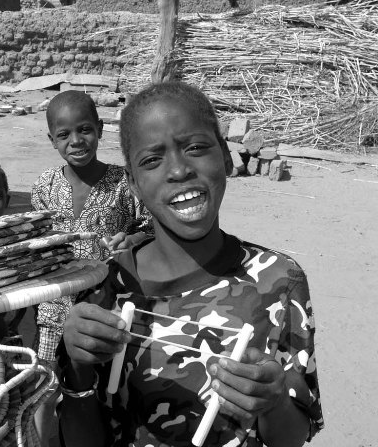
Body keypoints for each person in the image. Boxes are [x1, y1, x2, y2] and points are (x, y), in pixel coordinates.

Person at [59, 81, 324, 447]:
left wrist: (274, 401)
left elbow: (292, 435)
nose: (179, 170)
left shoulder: (280, 281)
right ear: (133, 184)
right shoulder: (103, 288)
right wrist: (76, 368)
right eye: (152, 160)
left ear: (227, 159)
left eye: (196, 148)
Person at [30, 90, 149, 446]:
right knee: (45, 389)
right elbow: (36, 243)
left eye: (84, 129)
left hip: (106, 308)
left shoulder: (124, 183)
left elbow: (149, 226)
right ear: (52, 140)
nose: (76, 141)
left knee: (101, 388)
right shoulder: (44, 186)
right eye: (64, 135)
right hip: (53, 308)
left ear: (99, 128)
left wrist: (131, 241)